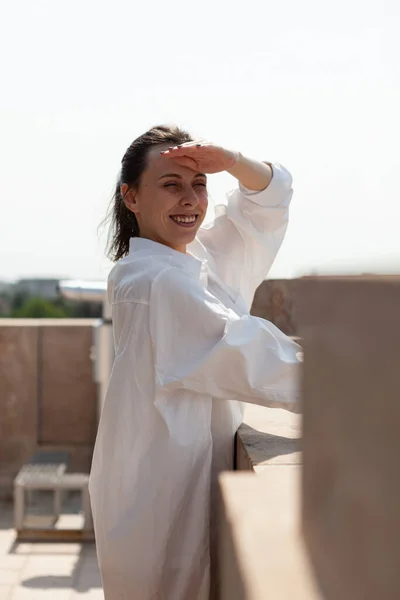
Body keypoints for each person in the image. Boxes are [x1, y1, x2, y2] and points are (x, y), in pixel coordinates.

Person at [88, 124, 302, 600]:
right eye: (170, 185)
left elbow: (267, 205)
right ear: (131, 197)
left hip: (171, 483)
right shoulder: (154, 281)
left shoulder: (191, 259)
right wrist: (368, 383)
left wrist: (230, 160)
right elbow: (253, 356)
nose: (190, 200)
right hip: (159, 497)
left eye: (198, 185)